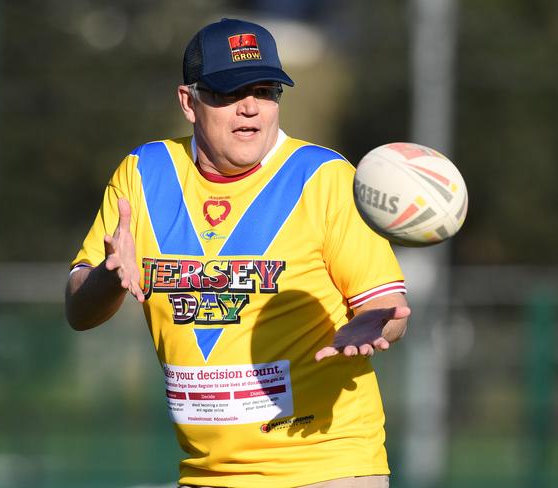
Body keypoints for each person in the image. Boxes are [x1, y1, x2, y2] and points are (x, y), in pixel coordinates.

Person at [65, 18, 410, 488]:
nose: (250, 107)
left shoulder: (324, 177)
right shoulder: (144, 175)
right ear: (189, 102)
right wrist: (107, 277)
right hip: (205, 473)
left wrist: (378, 319)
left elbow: (385, 308)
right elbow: (78, 309)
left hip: (327, 466)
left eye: (266, 91)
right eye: (229, 92)